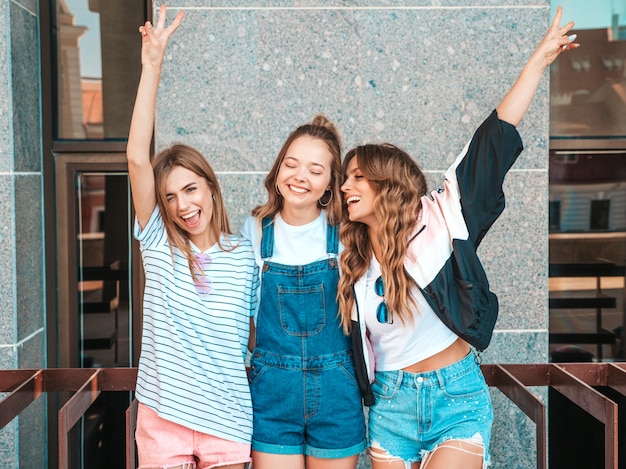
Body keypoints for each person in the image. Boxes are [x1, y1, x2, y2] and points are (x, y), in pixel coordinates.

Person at [338, 7, 578, 469]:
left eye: (356, 178)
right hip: (390, 407)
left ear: (386, 181)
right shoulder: (351, 256)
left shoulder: (443, 216)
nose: (345, 188)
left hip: (456, 397)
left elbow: (492, 140)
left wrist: (539, 59)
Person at [126, 6, 259, 469]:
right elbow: (137, 160)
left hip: (229, 421)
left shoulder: (245, 254)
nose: (183, 205)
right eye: (171, 197)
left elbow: (260, 337)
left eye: (190, 189)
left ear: (210, 187)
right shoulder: (159, 243)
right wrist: (152, 66)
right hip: (163, 420)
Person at [240, 116, 366, 469]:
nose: (299, 177)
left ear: (329, 184)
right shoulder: (253, 230)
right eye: (291, 164)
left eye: (315, 170)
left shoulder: (345, 233)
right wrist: (266, 360)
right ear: (278, 170)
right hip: (273, 392)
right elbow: (242, 311)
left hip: (336, 389)